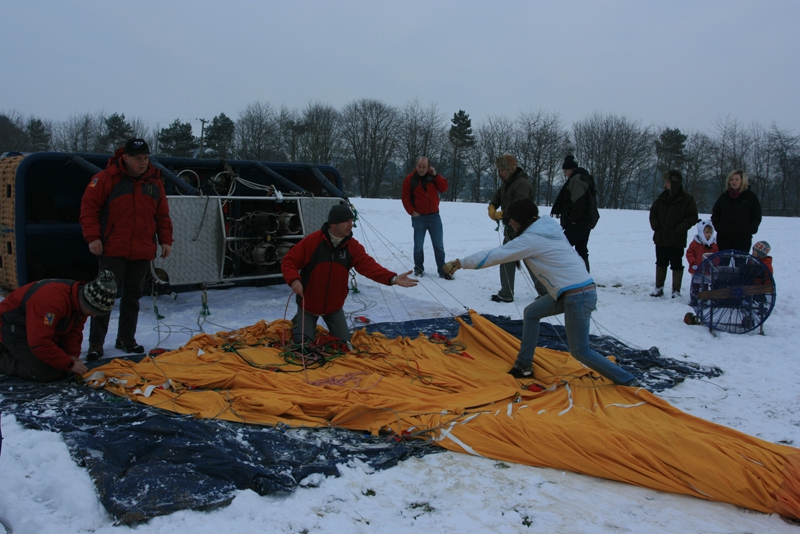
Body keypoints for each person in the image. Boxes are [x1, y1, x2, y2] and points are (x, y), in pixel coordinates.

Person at [443, 198, 639, 386]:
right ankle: (524, 365)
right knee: (532, 312)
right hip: (572, 291)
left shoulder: (532, 239)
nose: (509, 223)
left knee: (580, 350)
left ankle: (627, 380)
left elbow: (497, 255)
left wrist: (461, 263)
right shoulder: (547, 229)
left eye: (511, 219)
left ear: (520, 219)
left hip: (577, 295)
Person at [80, 138, 174, 360]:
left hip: (141, 250)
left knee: (133, 297)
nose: (143, 163)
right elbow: (88, 209)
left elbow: (162, 215)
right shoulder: (105, 180)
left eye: (146, 158)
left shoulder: (154, 184)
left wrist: (166, 240)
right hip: (113, 249)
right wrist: (93, 238)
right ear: (126, 158)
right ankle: (96, 344)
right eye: (138, 158)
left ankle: (126, 338)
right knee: (103, 297)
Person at [281, 204, 418, 344]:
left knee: (344, 342)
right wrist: (294, 280)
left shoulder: (352, 247)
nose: (350, 225)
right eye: (346, 221)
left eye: (351, 221)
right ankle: (299, 321)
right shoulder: (312, 241)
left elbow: (369, 266)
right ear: (333, 224)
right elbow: (289, 261)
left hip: (333, 306)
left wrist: (393, 278)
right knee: (303, 342)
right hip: (308, 305)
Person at [0, 271, 117, 382]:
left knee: (60, 366)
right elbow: (39, 343)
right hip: (10, 327)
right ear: (87, 302)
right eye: (93, 311)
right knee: (46, 372)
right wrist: (69, 364)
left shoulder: (80, 303)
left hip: (34, 328)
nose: (94, 315)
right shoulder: (50, 301)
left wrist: (72, 356)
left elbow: (73, 333)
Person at [487, 154, 545, 302]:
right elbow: (498, 197)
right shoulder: (507, 183)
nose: (500, 173)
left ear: (510, 169)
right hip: (511, 229)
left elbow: (520, 206)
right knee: (506, 258)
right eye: (499, 170)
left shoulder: (522, 184)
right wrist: (492, 206)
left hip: (524, 228)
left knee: (530, 261)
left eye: (502, 170)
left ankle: (545, 293)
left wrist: (503, 213)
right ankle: (506, 293)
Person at [648, 170, 698, 298]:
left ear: (673, 182)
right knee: (661, 262)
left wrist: (679, 229)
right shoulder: (662, 197)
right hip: (661, 237)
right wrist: (657, 228)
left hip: (677, 239)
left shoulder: (687, 199)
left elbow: (692, 217)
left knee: (676, 264)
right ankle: (659, 287)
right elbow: (653, 213)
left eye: (668, 181)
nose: (666, 184)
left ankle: (676, 290)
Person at [401, 157, 451, 279]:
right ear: (416, 166)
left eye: (424, 167)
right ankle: (418, 269)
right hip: (419, 218)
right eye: (419, 166)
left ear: (428, 167)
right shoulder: (410, 179)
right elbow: (405, 198)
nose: (421, 169)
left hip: (434, 216)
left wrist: (436, 175)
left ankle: (443, 270)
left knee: (438, 245)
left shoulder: (433, 177)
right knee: (418, 245)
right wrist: (412, 212)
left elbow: (444, 188)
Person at [550, 155, 600, 272]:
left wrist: (573, 219)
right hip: (587, 220)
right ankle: (584, 276)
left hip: (580, 221)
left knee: (563, 246)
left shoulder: (577, 179)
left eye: (565, 171)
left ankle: (564, 275)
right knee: (581, 249)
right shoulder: (583, 177)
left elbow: (579, 201)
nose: (565, 174)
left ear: (571, 170)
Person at [711, 170, 762, 253]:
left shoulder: (750, 197)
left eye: (736, 179)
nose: (734, 181)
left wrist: (750, 229)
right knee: (723, 264)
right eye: (732, 179)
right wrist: (719, 227)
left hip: (743, 239)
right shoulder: (724, 197)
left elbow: (756, 215)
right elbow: (715, 214)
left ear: (742, 181)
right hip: (724, 238)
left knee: (740, 264)